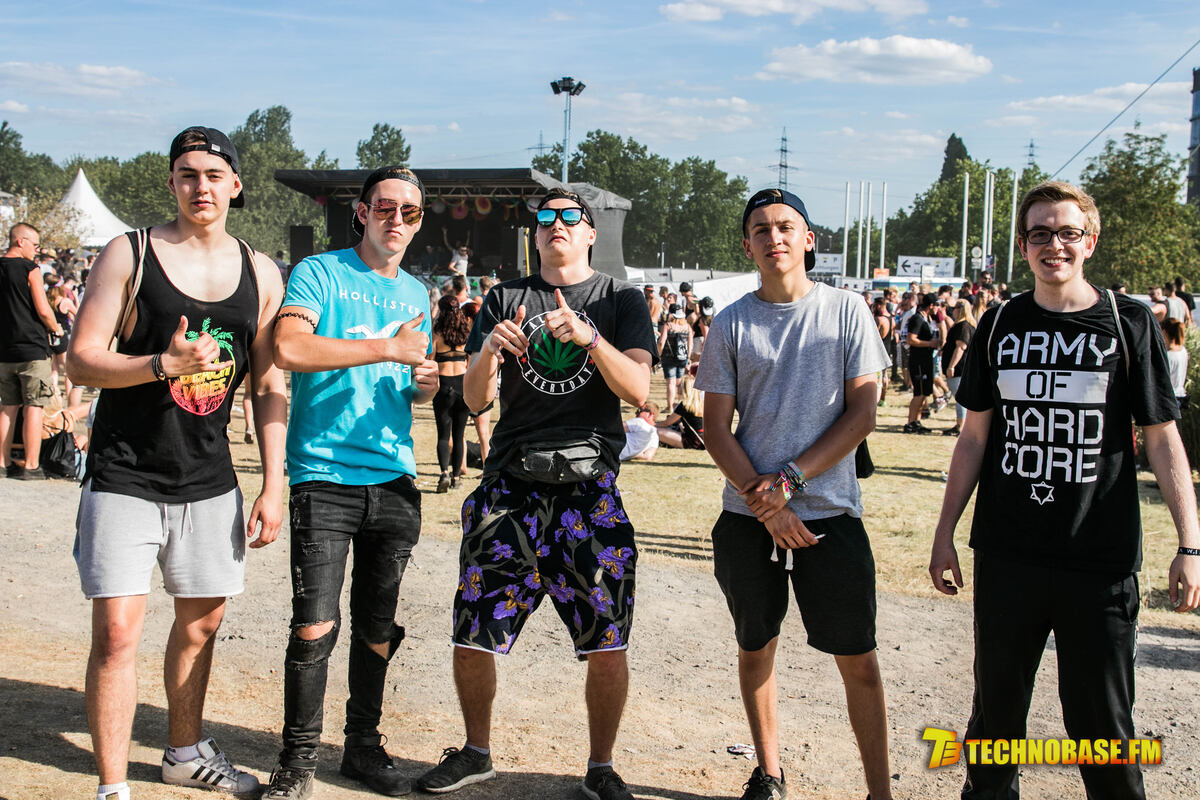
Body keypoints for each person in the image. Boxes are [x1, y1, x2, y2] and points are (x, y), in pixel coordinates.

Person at [929, 180, 1200, 800]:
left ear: (1090, 241)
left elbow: (1162, 439)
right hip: (1008, 555)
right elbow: (973, 439)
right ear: (1023, 246)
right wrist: (945, 534)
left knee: (1103, 731)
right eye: (1040, 234)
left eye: (1068, 232)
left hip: (1099, 560)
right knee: (995, 723)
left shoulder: (1128, 323)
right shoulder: (1000, 322)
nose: (1055, 245)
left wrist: (1191, 545)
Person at [66, 126, 288, 800]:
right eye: (188, 174)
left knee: (201, 626)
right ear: (171, 182)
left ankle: (184, 754)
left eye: (214, 175)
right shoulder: (129, 253)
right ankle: (112, 786)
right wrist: (162, 364)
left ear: (235, 185)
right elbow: (82, 360)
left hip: (210, 480)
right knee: (117, 634)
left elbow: (268, 384)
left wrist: (273, 482)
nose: (201, 187)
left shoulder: (260, 271)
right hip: (125, 472)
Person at [417, 188, 655, 800]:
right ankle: (476, 752)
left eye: (569, 217)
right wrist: (489, 352)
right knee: (473, 630)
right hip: (510, 486)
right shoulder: (505, 297)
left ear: (590, 232)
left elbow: (637, 390)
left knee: (607, 639)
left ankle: (601, 768)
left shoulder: (619, 299)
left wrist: (590, 338)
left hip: (588, 491)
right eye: (545, 217)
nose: (555, 225)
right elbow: (475, 401)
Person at [697, 188, 893, 800]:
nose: (774, 237)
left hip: (829, 512)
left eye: (786, 226)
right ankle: (769, 772)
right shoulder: (731, 322)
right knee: (755, 647)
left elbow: (863, 414)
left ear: (809, 239)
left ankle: (880, 793)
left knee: (858, 659)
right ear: (747, 245)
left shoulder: (847, 311)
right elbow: (714, 428)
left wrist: (787, 485)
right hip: (747, 517)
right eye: (761, 229)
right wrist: (766, 505)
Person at [267, 166, 438, 799]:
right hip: (324, 475)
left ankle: (362, 749)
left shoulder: (417, 293)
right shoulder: (321, 272)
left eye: (409, 212)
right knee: (314, 625)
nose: (397, 220)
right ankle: (297, 762)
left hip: (395, 477)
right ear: (362, 213)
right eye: (385, 208)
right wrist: (386, 350)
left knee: (376, 627)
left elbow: (408, 382)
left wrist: (424, 384)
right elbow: (289, 348)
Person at [1, 222, 65, 479]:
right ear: (21, 241)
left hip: (4, 350)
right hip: (32, 348)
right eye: (35, 245)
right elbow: (43, 308)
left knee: (7, 408)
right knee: (33, 407)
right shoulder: (30, 269)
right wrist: (56, 329)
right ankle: (30, 465)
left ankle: (3, 463)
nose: (36, 251)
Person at [432, 294, 472, 492]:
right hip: (462, 384)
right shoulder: (466, 332)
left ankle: (444, 474)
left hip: (444, 384)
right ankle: (456, 477)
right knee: (459, 434)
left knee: (443, 433)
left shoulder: (438, 333)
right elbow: (470, 361)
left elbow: (430, 359)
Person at [903, 293, 939, 434]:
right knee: (919, 392)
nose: (938, 309)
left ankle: (916, 421)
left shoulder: (926, 318)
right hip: (918, 361)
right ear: (931, 305)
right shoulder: (917, 319)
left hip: (925, 360)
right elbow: (910, 339)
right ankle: (910, 423)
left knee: (924, 392)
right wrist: (930, 343)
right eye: (936, 305)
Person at [940, 299, 976, 436]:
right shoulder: (964, 325)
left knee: (960, 398)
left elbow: (961, 347)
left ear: (960, 310)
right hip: (961, 367)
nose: (953, 311)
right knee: (960, 398)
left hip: (959, 368)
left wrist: (951, 366)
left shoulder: (963, 326)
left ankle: (961, 426)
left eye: (954, 308)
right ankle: (961, 424)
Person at [657, 302, 692, 413]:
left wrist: (659, 354)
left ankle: (670, 407)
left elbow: (661, 342)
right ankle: (680, 407)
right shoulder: (687, 327)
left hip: (669, 357)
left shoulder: (668, 326)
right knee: (679, 382)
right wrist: (688, 357)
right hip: (683, 357)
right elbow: (690, 344)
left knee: (671, 383)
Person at [656, 370, 704, 449]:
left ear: (684, 388)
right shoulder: (700, 403)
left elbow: (666, 423)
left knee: (655, 431)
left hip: (691, 441)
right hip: (704, 440)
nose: (677, 387)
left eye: (679, 386)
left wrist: (651, 425)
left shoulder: (684, 405)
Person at [1164, 318, 1189, 411]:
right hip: (1180, 396)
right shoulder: (1183, 350)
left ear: (1164, 332)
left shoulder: (1168, 355)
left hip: (1169, 398)